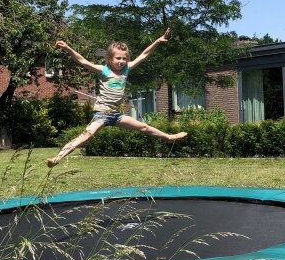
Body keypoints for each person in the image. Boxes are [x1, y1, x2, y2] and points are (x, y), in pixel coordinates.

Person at [47, 28, 188, 167]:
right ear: (110, 58)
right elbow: (82, 61)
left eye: (124, 58)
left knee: (143, 126)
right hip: (101, 114)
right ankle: (57, 158)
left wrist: (158, 41)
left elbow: (144, 55)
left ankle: (169, 138)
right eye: (118, 58)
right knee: (86, 136)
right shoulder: (104, 70)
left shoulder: (126, 70)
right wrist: (67, 48)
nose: (121, 61)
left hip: (116, 115)